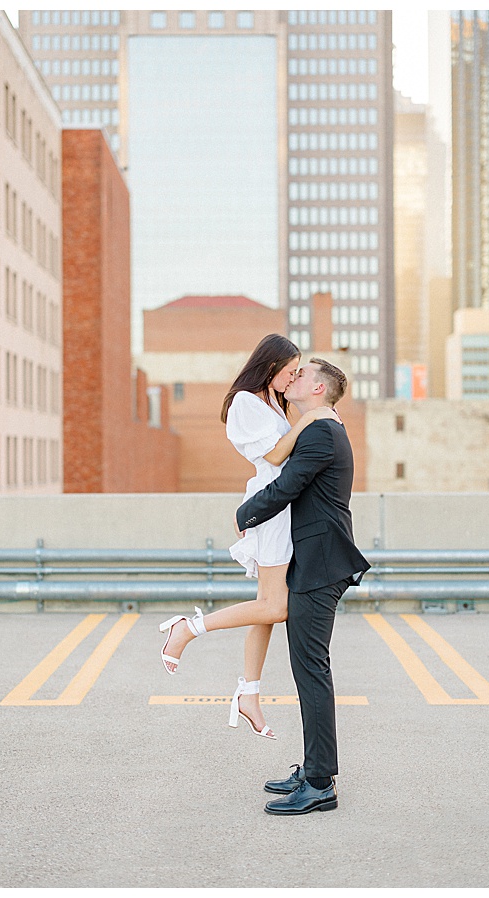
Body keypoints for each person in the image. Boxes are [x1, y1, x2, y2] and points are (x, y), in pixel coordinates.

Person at [158, 333, 338, 739]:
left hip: (283, 506)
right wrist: (313, 417)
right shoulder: (244, 403)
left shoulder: (271, 402)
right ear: (270, 366)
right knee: (276, 607)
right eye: (289, 372)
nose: (293, 380)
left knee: (266, 605)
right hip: (272, 508)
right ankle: (188, 628)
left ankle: (249, 691)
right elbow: (275, 456)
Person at [235, 357, 370, 815]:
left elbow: (286, 487)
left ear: (318, 389)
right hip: (315, 563)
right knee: (309, 672)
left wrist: (243, 516)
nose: (294, 378)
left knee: (312, 672)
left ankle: (319, 782)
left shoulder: (320, 432)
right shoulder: (323, 427)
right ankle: (314, 767)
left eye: (302, 374)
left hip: (319, 565)